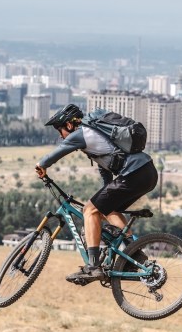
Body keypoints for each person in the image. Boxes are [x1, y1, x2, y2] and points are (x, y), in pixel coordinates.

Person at [34, 103, 158, 284]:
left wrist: (41, 165)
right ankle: (133, 254)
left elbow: (59, 151)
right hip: (146, 173)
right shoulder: (95, 136)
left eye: (60, 130)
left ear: (69, 125)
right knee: (107, 209)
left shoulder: (82, 133)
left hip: (134, 173)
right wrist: (105, 198)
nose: (60, 136)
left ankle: (93, 267)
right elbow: (106, 173)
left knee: (89, 210)